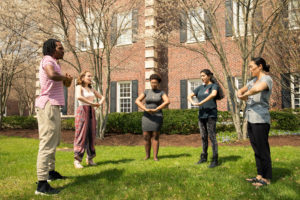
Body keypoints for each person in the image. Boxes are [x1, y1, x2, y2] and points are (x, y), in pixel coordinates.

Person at [35, 39, 73, 195]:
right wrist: (63, 77)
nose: (63, 50)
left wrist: (67, 80)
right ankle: (42, 184)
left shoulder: (55, 62)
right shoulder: (48, 60)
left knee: (53, 141)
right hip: (48, 105)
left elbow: (63, 85)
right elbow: (51, 75)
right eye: (60, 48)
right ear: (52, 49)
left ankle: (50, 173)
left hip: (54, 106)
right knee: (47, 143)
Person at [237, 57, 273, 188]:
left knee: (263, 149)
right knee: (256, 148)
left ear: (260, 66)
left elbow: (255, 90)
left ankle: (267, 177)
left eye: (252, 67)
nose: (250, 69)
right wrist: (239, 93)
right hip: (251, 118)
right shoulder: (252, 81)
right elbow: (241, 90)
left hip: (261, 119)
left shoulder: (266, 79)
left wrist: (245, 94)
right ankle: (259, 175)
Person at [188, 69, 221, 168]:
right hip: (201, 115)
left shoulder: (214, 86)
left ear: (209, 76)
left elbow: (213, 94)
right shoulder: (200, 88)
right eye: (201, 76)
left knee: (212, 137)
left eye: (203, 76)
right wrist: (193, 102)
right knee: (203, 137)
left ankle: (215, 159)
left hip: (211, 115)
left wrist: (201, 102)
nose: (202, 78)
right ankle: (203, 157)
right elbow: (190, 95)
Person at [74, 71, 105, 169]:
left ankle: (90, 158)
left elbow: (103, 97)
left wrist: (98, 103)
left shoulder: (91, 88)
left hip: (91, 111)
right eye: (88, 76)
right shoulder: (79, 87)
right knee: (81, 135)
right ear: (82, 77)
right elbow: (79, 97)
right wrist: (92, 103)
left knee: (91, 135)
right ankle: (77, 160)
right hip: (82, 110)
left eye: (91, 76)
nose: (90, 78)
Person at [135, 74, 170, 161]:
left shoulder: (161, 93)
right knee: (146, 136)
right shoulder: (146, 92)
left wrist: (157, 108)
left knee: (155, 136)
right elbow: (137, 101)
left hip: (157, 116)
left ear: (158, 83)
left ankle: (155, 157)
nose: (153, 84)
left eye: (155, 83)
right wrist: (145, 109)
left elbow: (167, 101)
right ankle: (147, 156)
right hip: (146, 116)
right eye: (152, 82)